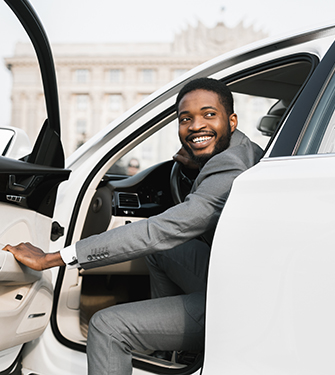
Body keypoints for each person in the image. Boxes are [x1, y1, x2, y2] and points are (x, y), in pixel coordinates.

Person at [2, 78, 263, 375]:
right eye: (185, 119)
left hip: (235, 299)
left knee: (106, 327)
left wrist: (53, 258)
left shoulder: (229, 164)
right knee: (162, 251)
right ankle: (169, 347)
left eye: (209, 114)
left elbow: (161, 229)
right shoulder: (243, 148)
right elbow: (205, 207)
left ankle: (153, 336)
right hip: (237, 274)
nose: (195, 126)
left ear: (231, 119)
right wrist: (195, 166)